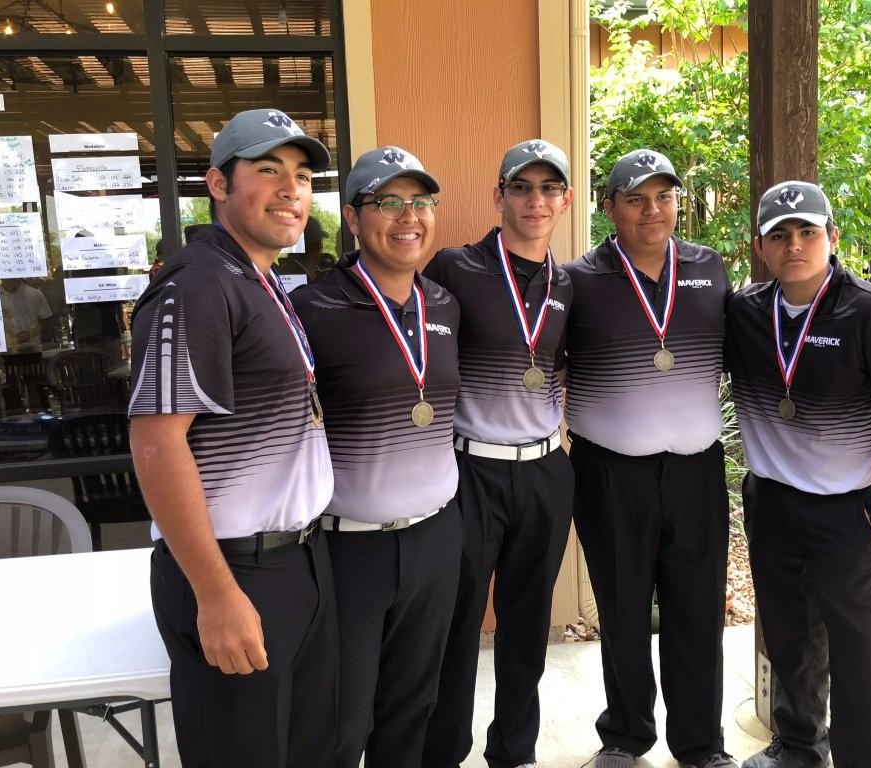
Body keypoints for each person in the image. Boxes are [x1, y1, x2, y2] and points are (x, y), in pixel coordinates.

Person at [127, 108, 337, 767]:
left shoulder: (260, 280)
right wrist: (217, 596)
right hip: (236, 571)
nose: (290, 189)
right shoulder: (196, 286)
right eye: (268, 170)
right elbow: (157, 445)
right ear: (218, 185)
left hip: (296, 561)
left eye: (302, 175)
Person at [727, 181, 871, 768]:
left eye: (807, 231)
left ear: (832, 237)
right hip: (771, 503)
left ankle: (869, 759)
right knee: (789, 637)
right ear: (761, 248)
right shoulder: (746, 312)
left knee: (858, 652)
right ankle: (798, 747)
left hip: (851, 511)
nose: (794, 245)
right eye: (780, 235)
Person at [290, 146, 462, 768]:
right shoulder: (311, 310)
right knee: (341, 719)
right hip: (347, 548)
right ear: (353, 217)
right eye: (387, 202)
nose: (407, 216)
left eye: (418, 201)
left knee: (412, 707)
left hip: (437, 536)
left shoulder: (444, 306)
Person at [563, 149, 735, 768]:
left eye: (663, 196)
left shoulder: (709, 270)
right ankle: (626, 736)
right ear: (610, 208)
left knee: (696, 610)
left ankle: (700, 745)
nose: (652, 210)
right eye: (636, 199)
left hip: (696, 469)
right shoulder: (579, 280)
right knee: (623, 608)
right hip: (610, 472)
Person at [421, 139, 575, 768]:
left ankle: (515, 751)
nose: (534, 201)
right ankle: (445, 750)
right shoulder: (455, 269)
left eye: (547, 189)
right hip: (469, 470)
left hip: (544, 469)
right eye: (522, 188)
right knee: (457, 626)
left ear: (564, 201)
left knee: (527, 623)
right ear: (499, 196)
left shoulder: (569, 281)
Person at [0, 278, 52, 353]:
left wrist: (30, 334)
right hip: (6, 352)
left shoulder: (35, 294)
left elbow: (46, 322)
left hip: (33, 350)